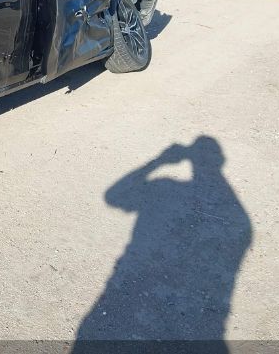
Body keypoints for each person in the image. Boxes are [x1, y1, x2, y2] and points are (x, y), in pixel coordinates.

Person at [73, 137, 251, 351]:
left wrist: (159, 161)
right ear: (220, 161)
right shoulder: (239, 217)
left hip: (131, 292)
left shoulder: (165, 187)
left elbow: (114, 196)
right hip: (194, 318)